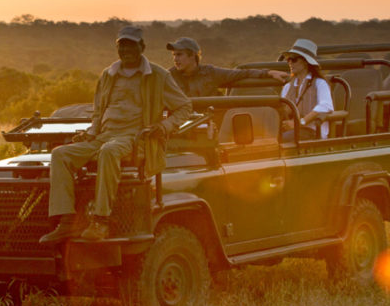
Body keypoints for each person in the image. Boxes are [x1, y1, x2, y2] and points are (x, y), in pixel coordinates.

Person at [40, 26, 192, 244]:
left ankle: (100, 221)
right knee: (60, 155)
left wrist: (165, 126)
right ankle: (67, 221)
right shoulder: (108, 74)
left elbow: (185, 107)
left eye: (131, 45)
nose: (126, 50)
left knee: (109, 151)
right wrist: (91, 132)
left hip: (136, 138)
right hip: (104, 135)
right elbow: (98, 111)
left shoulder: (158, 76)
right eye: (122, 45)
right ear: (117, 48)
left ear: (142, 47)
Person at [166, 37, 289, 97]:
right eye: (174, 55)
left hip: (211, 124)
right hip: (181, 127)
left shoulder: (210, 73)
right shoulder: (169, 76)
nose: (175, 59)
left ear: (192, 55)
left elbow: (241, 73)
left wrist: (268, 73)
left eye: (179, 55)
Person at [279, 38, 334, 140]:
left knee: (281, 139)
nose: (290, 63)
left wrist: (300, 122)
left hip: (313, 131)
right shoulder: (288, 86)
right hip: (292, 131)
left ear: (305, 62)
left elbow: (326, 105)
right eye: (288, 59)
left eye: (294, 59)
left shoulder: (320, 83)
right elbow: (283, 108)